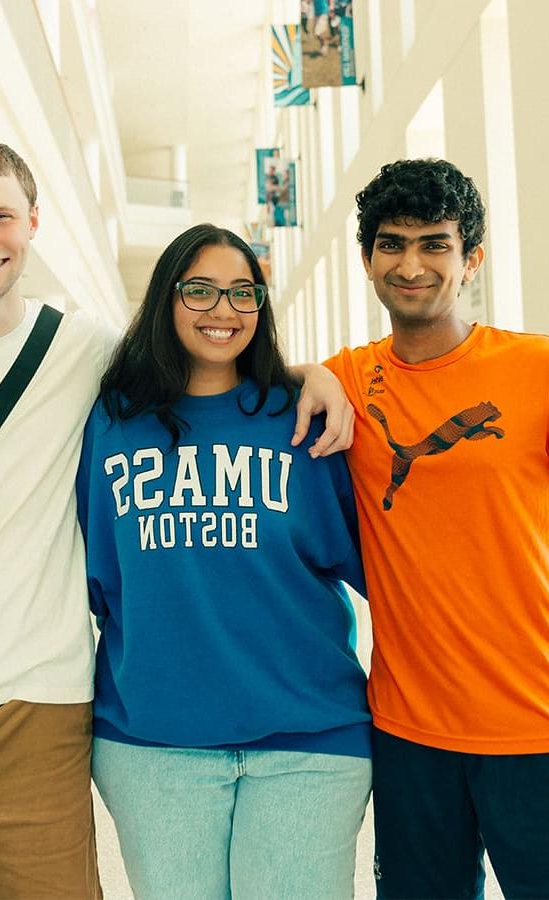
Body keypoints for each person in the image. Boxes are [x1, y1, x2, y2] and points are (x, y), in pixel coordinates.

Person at [0, 140, 354, 899]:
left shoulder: (86, 353)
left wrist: (313, 376)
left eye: (0, 217)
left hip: (41, 718)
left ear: (33, 223)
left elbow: (207, 355)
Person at [324, 158, 549, 899]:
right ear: (369, 258)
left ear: (472, 258)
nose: (410, 264)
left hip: (538, 729)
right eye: (391, 244)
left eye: (434, 244)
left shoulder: (545, 370)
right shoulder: (342, 379)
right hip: (408, 738)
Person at [76, 224, 372, 900]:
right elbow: (98, 572)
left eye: (244, 293)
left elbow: (365, 564)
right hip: (153, 744)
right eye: (201, 290)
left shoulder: (302, 419)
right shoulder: (112, 422)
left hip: (310, 736)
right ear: (166, 299)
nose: (224, 310)